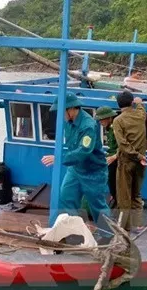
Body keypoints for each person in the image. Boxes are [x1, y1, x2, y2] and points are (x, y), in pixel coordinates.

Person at [41, 92, 111, 228]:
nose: (60, 115)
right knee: (66, 197)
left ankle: (109, 235)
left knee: (97, 206)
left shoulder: (88, 126)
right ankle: (75, 229)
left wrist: (59, 158)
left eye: (61, 111)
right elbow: (70, 146)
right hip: (75, 169)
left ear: (71, 109)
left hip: (93, 172)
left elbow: (84, 151)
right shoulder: (68, 122)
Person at [112, 91, 147, 233]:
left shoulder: (118, 121)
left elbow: (123, 144)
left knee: (124, 196)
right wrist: (138, 101)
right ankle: (138, 224)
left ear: (118, 104)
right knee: (136, 193)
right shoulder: (140, 115)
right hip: (141, 163)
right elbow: (140, 106)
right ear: (131, 102)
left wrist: (136, 156)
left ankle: (125, 227)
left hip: (127, 162)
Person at [94, 106, 119, 208]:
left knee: (111, 179)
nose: (100, 122)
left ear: (109, 118)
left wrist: (114, 156)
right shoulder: (110, 128)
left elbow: (123, 145)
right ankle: (114, 195)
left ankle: (116, 198)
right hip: (111, 156)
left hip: (116, 158)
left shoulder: (115, 128)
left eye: (102, 119)